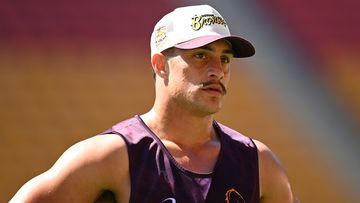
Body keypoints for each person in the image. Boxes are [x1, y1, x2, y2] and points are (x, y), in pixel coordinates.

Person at [10, 4, 298, 203]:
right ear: (160, 64)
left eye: (224, 59)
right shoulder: (111, 157)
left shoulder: (258, 163)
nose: (216, 69)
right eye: (200, 55)